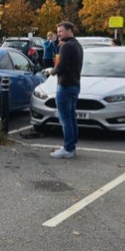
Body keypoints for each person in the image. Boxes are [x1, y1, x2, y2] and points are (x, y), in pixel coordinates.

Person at [50, 22, 83, 159]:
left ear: (69, 31)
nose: (58, 34)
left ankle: (68, 148)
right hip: (75, 85)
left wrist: (52, 71)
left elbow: (61, 67)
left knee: (65, 119)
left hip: (65, 86)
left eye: (61, 31)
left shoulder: (67, 46)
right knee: (71, 118)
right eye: (58, 31)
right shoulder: (77, 45)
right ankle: (71, 146)